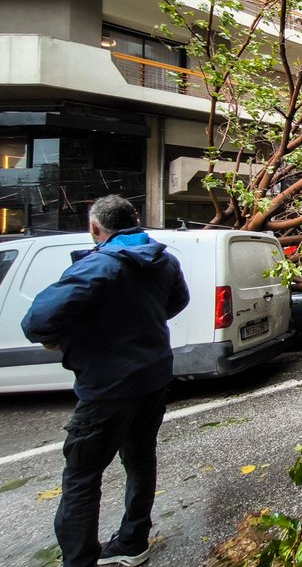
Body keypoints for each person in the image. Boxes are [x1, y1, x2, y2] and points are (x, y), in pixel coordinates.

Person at [22, 195, 189, 567]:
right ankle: (133, 541)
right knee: (141, 459)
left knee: (82, 475)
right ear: (135, 219)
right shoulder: (164, 260)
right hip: (153, 377)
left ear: (95, 228)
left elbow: (37, 321)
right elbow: (178, 301)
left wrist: (78, 335)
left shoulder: (99, 265)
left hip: (107, 387)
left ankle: (80, 559)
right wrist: (141, 321)